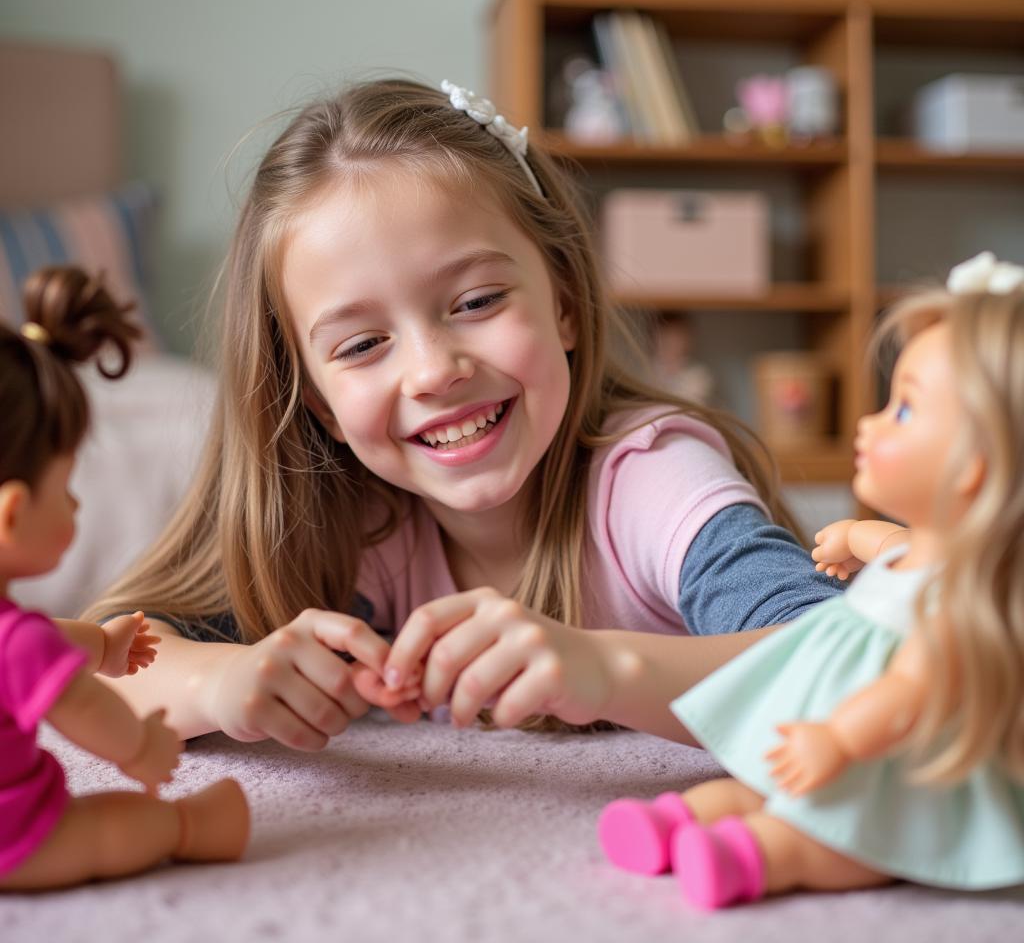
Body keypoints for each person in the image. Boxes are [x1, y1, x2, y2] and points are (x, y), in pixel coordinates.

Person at [85, 77, 838, 749]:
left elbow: (853, 666)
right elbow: (88, 665)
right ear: (318, 402)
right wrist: (221, 683)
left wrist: (607, 670)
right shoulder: (371, 522)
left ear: (565, 304)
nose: (434, 371)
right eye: (362, 344)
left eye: (477, 302)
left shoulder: (650, 478)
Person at [598, 253, 1024, 908]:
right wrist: (855, 539)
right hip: (829, 728)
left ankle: (750, 856)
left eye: (903, 412)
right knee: (761, 785)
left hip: (889, 764)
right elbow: (895, 548)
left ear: (973, 468)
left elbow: (910, 691)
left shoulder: (959, 610)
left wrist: (839, 738)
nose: (870, 423)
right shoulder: (930, 560)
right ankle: (677, 821)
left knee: (831, 836)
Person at [0, 267, 248, 890]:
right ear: (12, 514)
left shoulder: (18, 634)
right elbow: (76, 704)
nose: (77, 509)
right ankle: (192, 826)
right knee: (106, 828)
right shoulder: (18, 641)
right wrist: (138, 746)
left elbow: (35, 644)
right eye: (66, 492)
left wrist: (105, 647)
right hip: (15, 838)